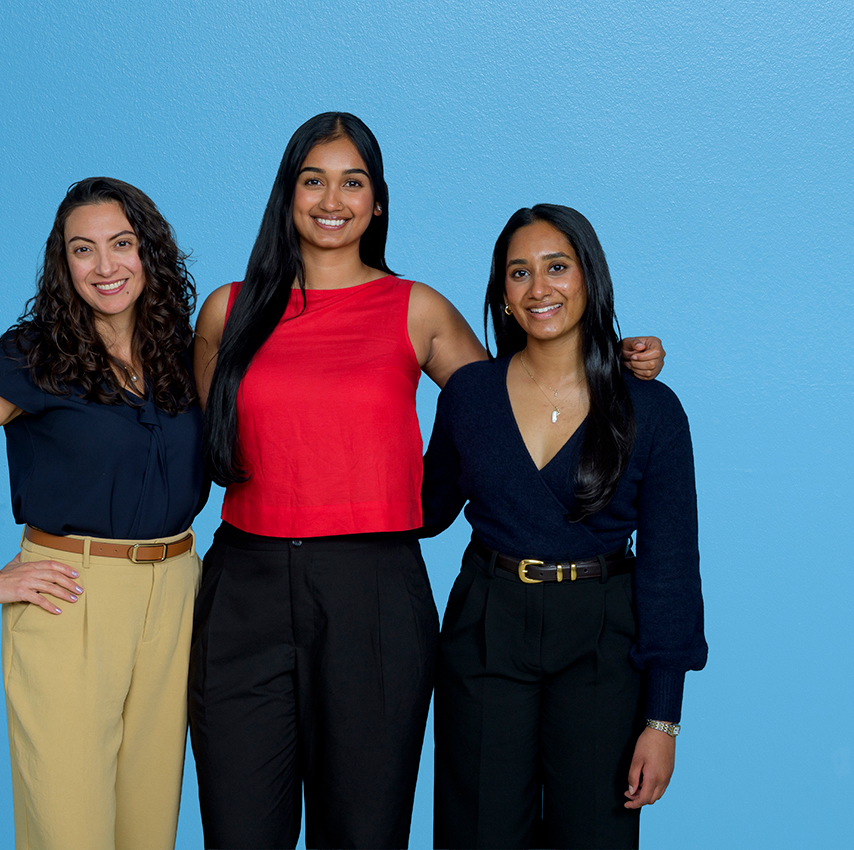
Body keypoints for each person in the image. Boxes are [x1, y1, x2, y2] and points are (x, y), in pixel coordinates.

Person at [188, 114, 666, 849]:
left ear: (378, 202)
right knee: (240, 831)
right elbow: (191, 449)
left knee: (365, 832)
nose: (332, 199)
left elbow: (526, 395)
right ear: (287, 194)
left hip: (373, 591)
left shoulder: (418, 311)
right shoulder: (227, 311)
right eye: (313, 180)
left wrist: (615, 360)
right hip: (242, 589)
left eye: (354, 182)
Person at [0, 177, 209, 850]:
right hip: (73, 595)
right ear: (63, 265)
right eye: (82, 250)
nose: (105, 266)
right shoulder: (35, 354)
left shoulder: (183, 352)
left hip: (179, 591)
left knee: (150, 828)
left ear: (150, 252)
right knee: (71, 827)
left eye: (122, 244)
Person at [420, 204, 706, 849]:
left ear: (589, 278)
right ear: (502, 294)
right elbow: (425, 510)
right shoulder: (468, 395)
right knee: (477, 834)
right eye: (518, 273)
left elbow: (670, 568)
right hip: (486, 627)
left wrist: (663, 720)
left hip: (604, 639)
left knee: (593, 834)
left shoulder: (650, 408)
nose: (539, 287)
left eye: (557, 267)